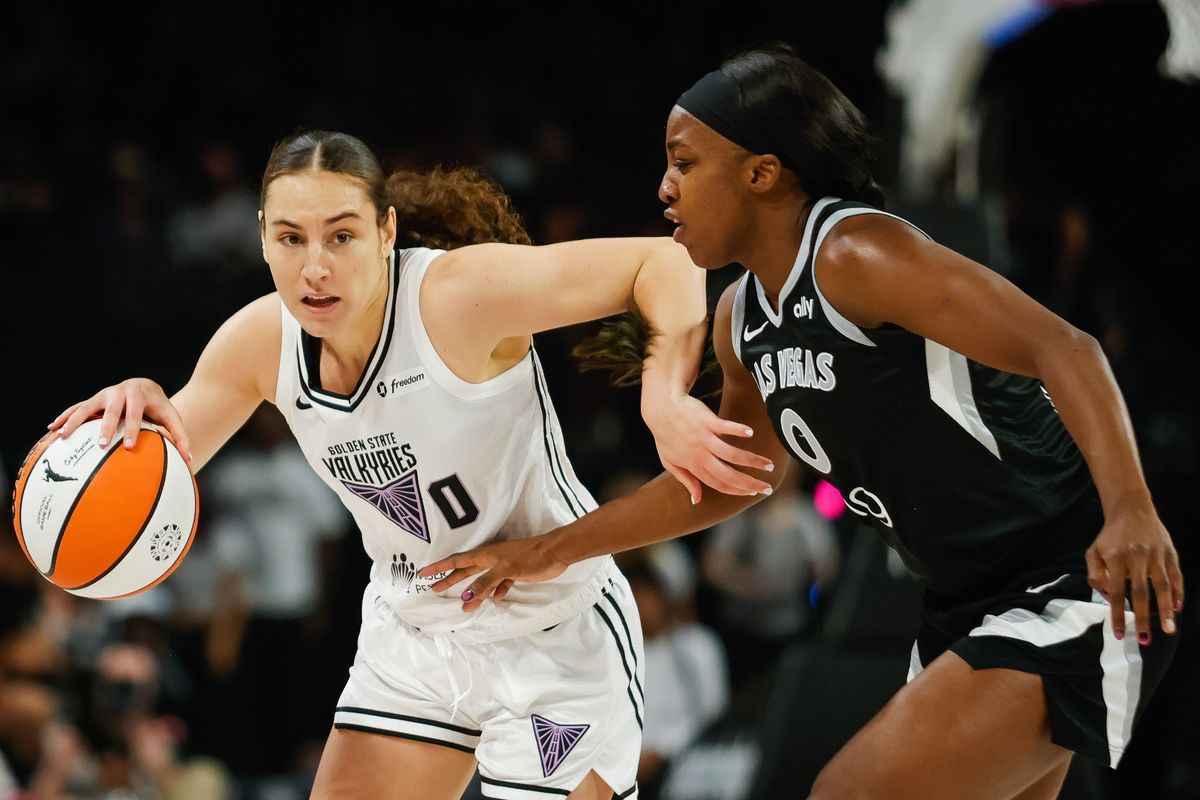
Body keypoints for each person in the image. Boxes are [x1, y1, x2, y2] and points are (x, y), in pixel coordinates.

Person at [419, 43, 1185, 800]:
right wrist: (551, 549)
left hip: (1079, 577)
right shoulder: (740, 318)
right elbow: (733, 482)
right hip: (964, 604)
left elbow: (1066, 347)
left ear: (761, 171)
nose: (664, 187)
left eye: (684, 163)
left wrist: (1131, 510)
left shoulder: (857, 254)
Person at [48, 132, 774, 800]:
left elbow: (663, 261)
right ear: (262, 240)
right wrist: (135, 416)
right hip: (416, 632)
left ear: (386, 233)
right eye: (291, 238)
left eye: (343, 235)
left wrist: (662, 397)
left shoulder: (457, 298)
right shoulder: (257, 341)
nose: (317, 266)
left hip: (554, 632)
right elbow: (165, 467)